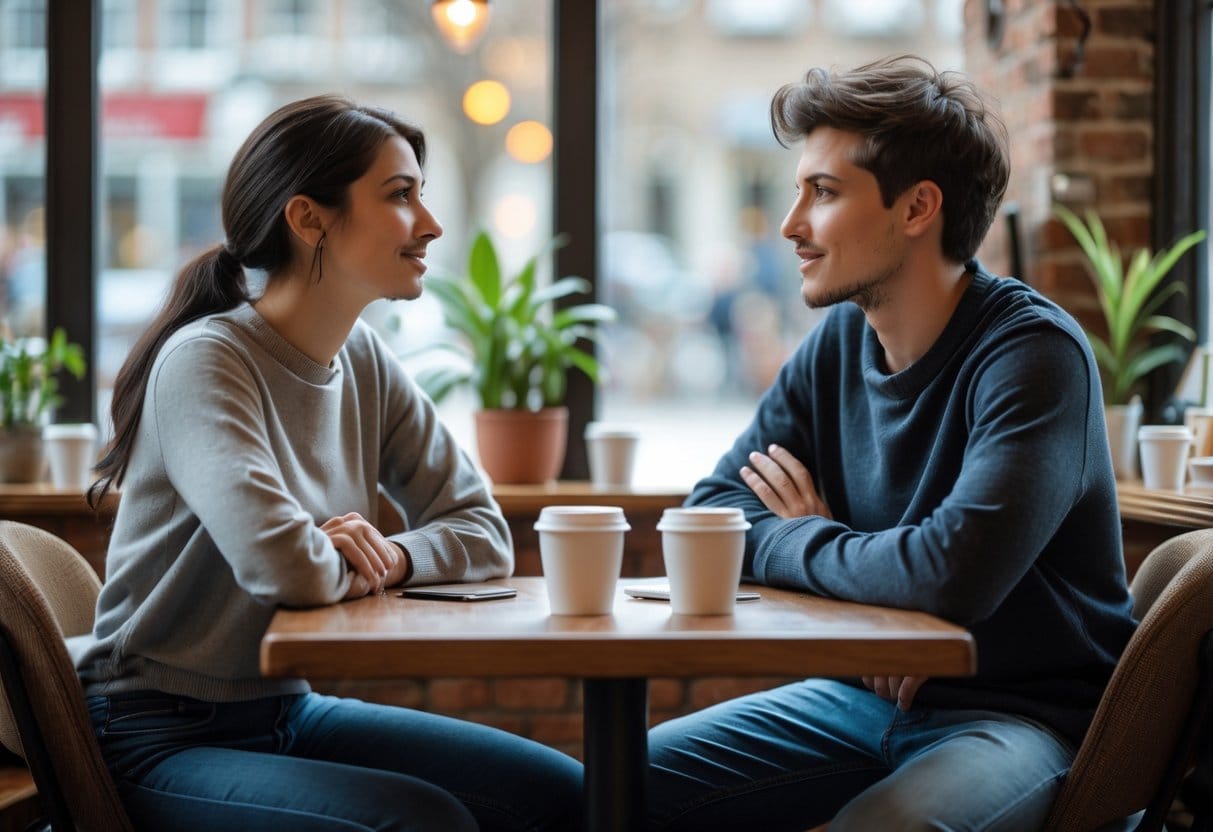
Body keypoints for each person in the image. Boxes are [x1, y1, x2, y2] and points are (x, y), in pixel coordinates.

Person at [646, 56, 1137, 831]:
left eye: (824, 192)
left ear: (916, 208)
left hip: (1021, 722)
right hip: (857, 697)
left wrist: (810, 536)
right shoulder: (836, 341)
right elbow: (714, 509)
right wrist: (877, 607)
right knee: (615, 786)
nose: (790, 224)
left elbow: (947, 577)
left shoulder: (1033, 355)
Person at [75, 94, 582, 832]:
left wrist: (392, 557)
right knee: (422, 821)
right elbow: (282, 567)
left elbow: (482, 530)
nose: (431, 223)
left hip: (287, 708)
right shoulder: (207, 361)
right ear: (309, 218)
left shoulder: (364, 360)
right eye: (400, 195)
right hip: (155, 733)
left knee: (563, 794)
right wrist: (325, 555)